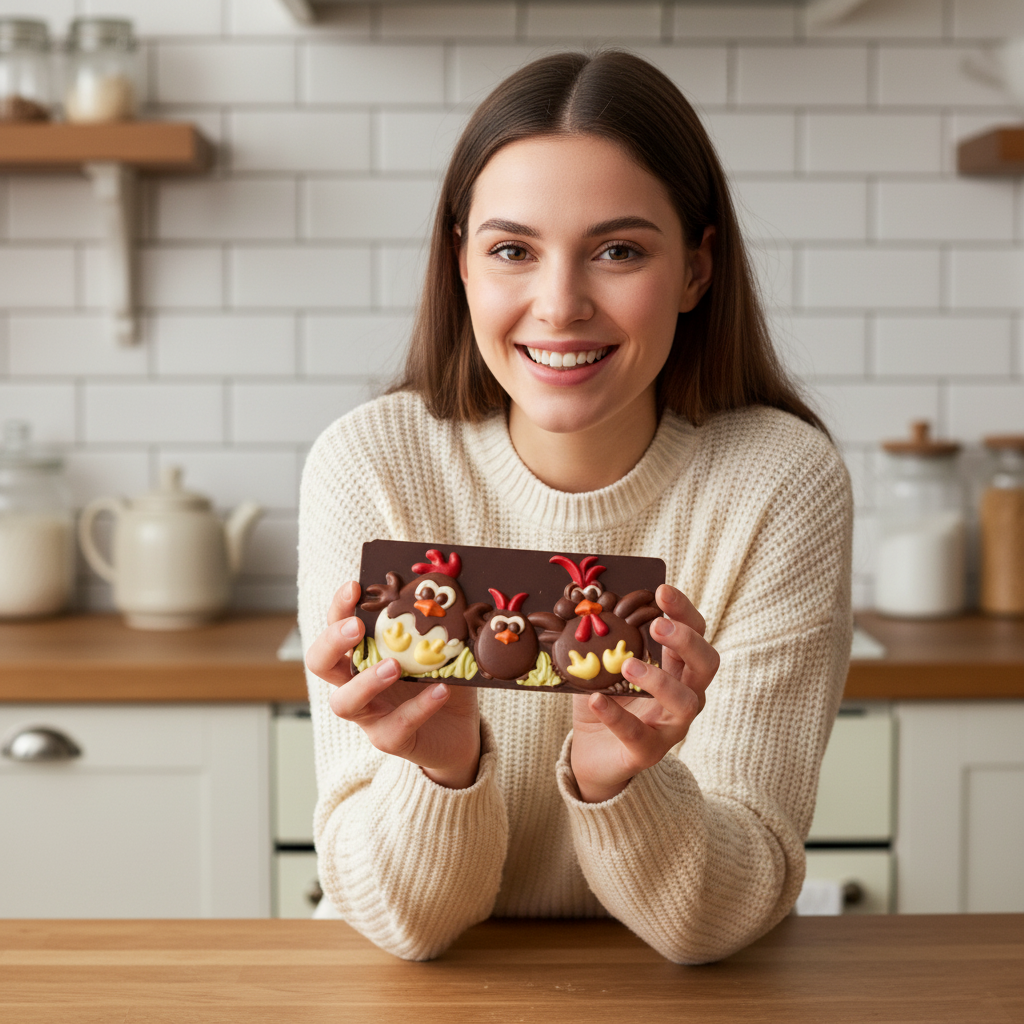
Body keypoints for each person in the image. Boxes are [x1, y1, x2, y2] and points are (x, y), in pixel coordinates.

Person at [299, 49, 852, 965]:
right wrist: (445, 767)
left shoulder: (778, 481)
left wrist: (619, 783)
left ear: (696, 270)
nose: (559, 306)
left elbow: (715, 922)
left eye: (619, 251)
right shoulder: (372, 465)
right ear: (462, 265)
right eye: (513, 250)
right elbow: (404, 928)